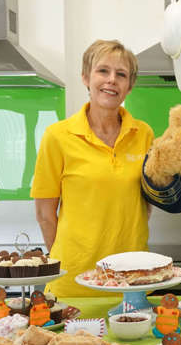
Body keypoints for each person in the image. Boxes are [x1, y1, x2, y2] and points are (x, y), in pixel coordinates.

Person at [31, 39, 153, 297]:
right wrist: (64, 262)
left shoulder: (143, 134)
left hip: (132, 277)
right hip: (74, 279)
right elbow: (44, 213)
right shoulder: (58, 136)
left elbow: (146, 202)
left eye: (121, 75)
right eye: (103, 71)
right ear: (86, 77)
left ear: (129, 86)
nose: (111, 80)